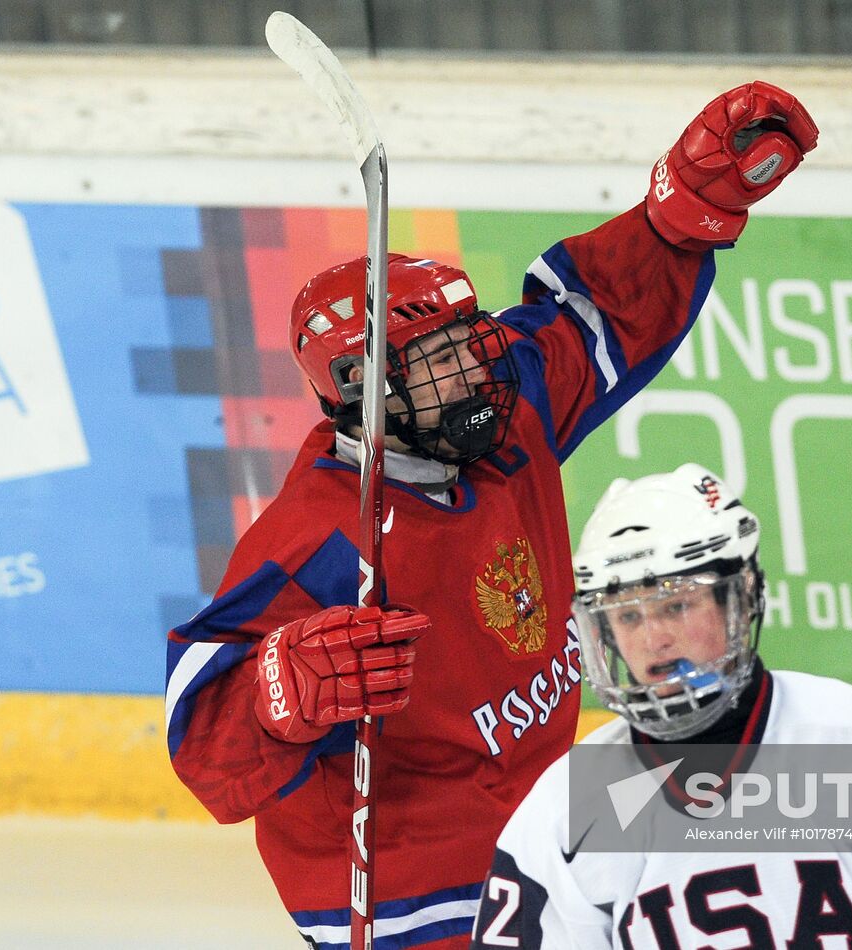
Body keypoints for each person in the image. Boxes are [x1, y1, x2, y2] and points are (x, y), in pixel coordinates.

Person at [164, 83, 817, 949]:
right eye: (438, 362)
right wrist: (280, 692)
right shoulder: (320, 540)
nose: (473, 371)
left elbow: (597, 318)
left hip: (543, 828)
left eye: (468, 342)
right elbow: (205, 738)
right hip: (405, 883)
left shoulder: (502, 404)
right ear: (367, 395)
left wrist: (681, 214)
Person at [472, 465, 852, 949]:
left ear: (743, 596)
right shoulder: (564, 811)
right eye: (628, 617)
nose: (654, 639)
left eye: (676, 604)